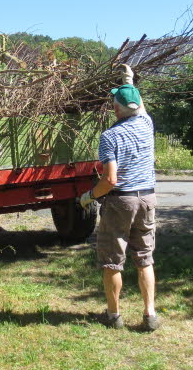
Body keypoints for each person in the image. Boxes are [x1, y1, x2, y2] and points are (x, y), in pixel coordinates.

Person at [80, 80, 160, 331]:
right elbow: (141, 107)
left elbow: (110, 180)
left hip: (120, 201)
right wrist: (130, 82)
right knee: (145, 258)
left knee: (112, 260)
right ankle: (150, 315)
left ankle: (113, 316)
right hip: (148, 198)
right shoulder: (147, 124)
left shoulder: (110, 136)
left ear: (117, 110)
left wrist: (89, 196)